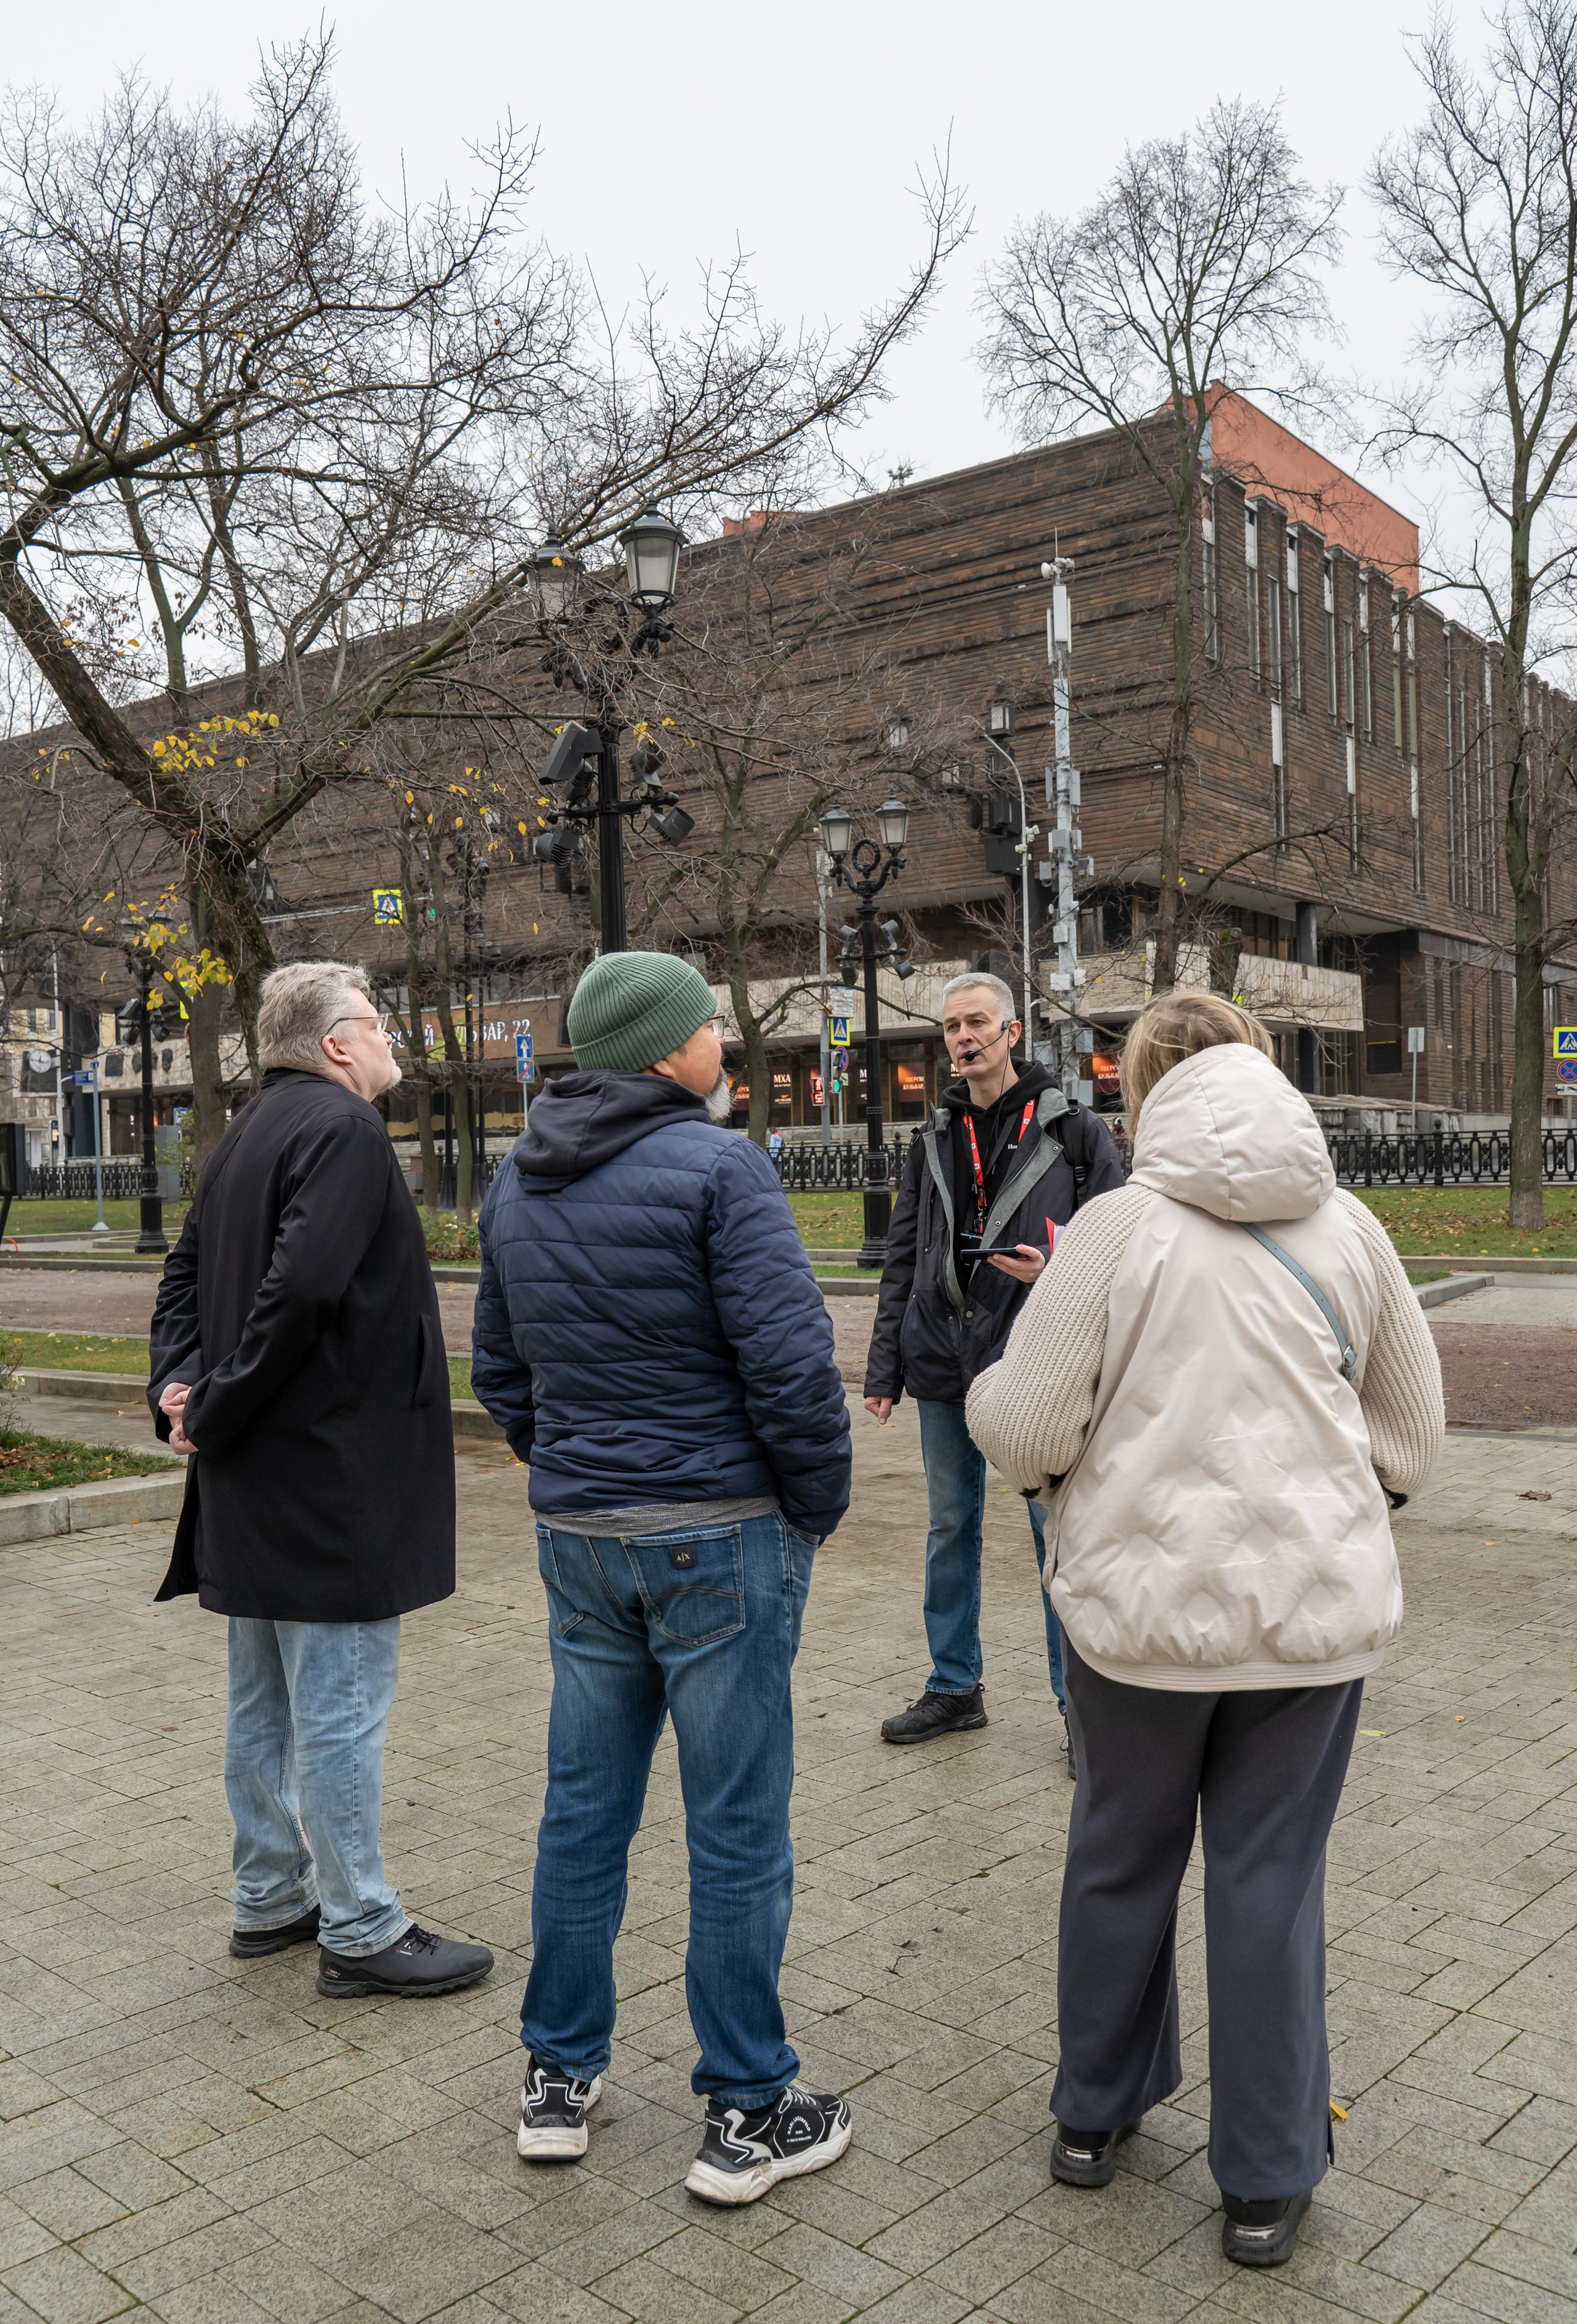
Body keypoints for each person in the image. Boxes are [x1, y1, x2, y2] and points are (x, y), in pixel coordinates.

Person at [968, 992, 1445, 2267]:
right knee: (1268, 1879)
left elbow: (1021, 1431)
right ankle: (1266, 2178)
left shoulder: (1117, 1231)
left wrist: (1004, 1415)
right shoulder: (1347, 1226)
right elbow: (1413, 1437)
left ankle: (1093, 2111)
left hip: (1133, 1620)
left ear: (1143, 1099)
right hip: (1309, 1629)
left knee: (1118, 1852)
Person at [471, 949, 854, 2206]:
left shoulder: (514, 1175)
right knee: (735, 1822)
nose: (720, 1044)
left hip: (583, 1537)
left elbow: (501, 1372)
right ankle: (748, 2102)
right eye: (705, 1026)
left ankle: (556, 2076)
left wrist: (577, 1467)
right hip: (717, 1533)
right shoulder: (718, 1167)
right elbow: (791, 1362)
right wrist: (813, 1502)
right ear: (661, 1047)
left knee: (583, 1810)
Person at [147, 961, 493, 2002]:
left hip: (255, 1480)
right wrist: (216, 1397)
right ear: (336, 1042)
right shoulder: (342, 1130)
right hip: (330, 1474)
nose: (392, 1039)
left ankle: (271, 1894)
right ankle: (359, 1925)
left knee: (262, 1698)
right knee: (337, 1704)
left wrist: (183, 1384)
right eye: (378, 1022)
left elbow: (184, 1274)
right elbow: (300, 1288)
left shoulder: (246, 1130)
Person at [863, 972, 1124, 1756]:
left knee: (1056, 1537)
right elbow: (903, 1259)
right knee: (951, 1529)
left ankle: (1081, 1711)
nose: (962, 1037)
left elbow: (1121, 1247)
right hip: (943, 1358)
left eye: (977, 1022)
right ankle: (953, 1688)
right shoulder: (934, 1138)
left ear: (1014, 1032)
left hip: (1038, 1361)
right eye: (950, 1027)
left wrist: (1056, 1271)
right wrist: (883, 1370)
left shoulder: (1074, 1130)